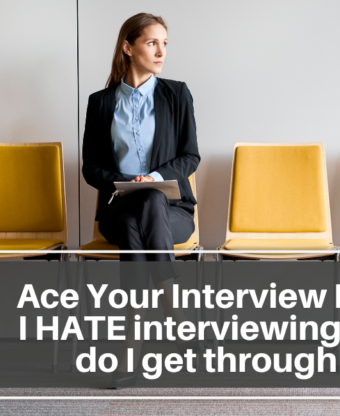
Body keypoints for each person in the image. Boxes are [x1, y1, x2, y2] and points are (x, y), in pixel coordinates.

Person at [81, 12, 200, 388]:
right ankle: (174, 314)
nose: (161, 52)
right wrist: (123, 182)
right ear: (128, 48)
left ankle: (129, 348)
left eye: (164, 43)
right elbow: (91, 168)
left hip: (173, 213)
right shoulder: (101, 103)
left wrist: (154, 179)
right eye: (152, 43)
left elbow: (190, 156)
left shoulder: (176, 94)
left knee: (147, 205)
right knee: (138, 210)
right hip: (118, 210)